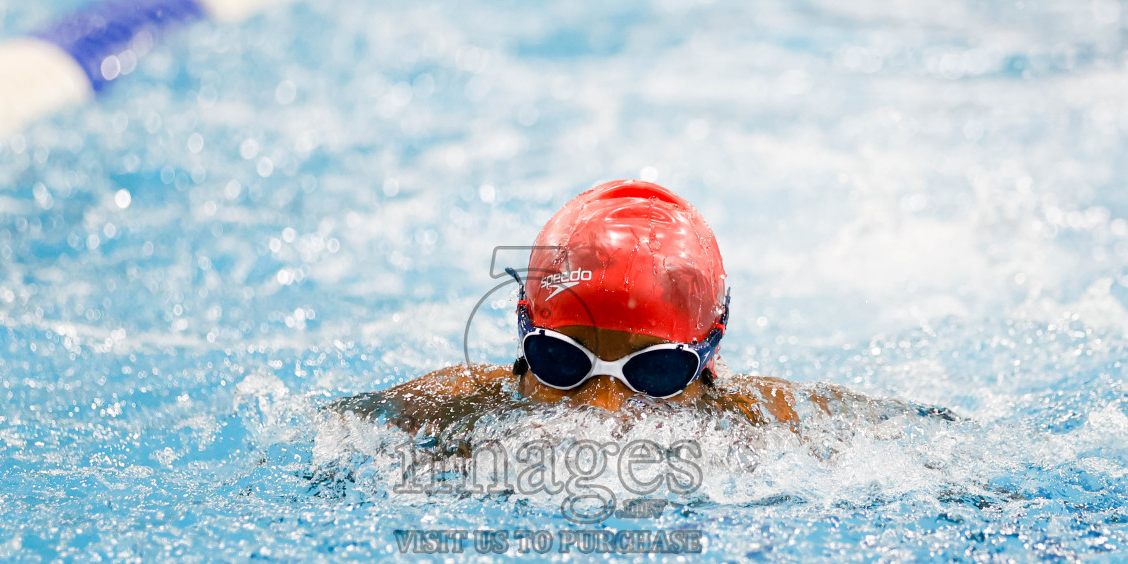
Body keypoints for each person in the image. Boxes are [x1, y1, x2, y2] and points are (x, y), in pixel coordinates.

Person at [331, 180, 951, 439]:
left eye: (654, 372)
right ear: (523, 346)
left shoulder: (767, 430)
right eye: (562, 363)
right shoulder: (447, 416)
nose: (603, 410)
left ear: (707, 369)